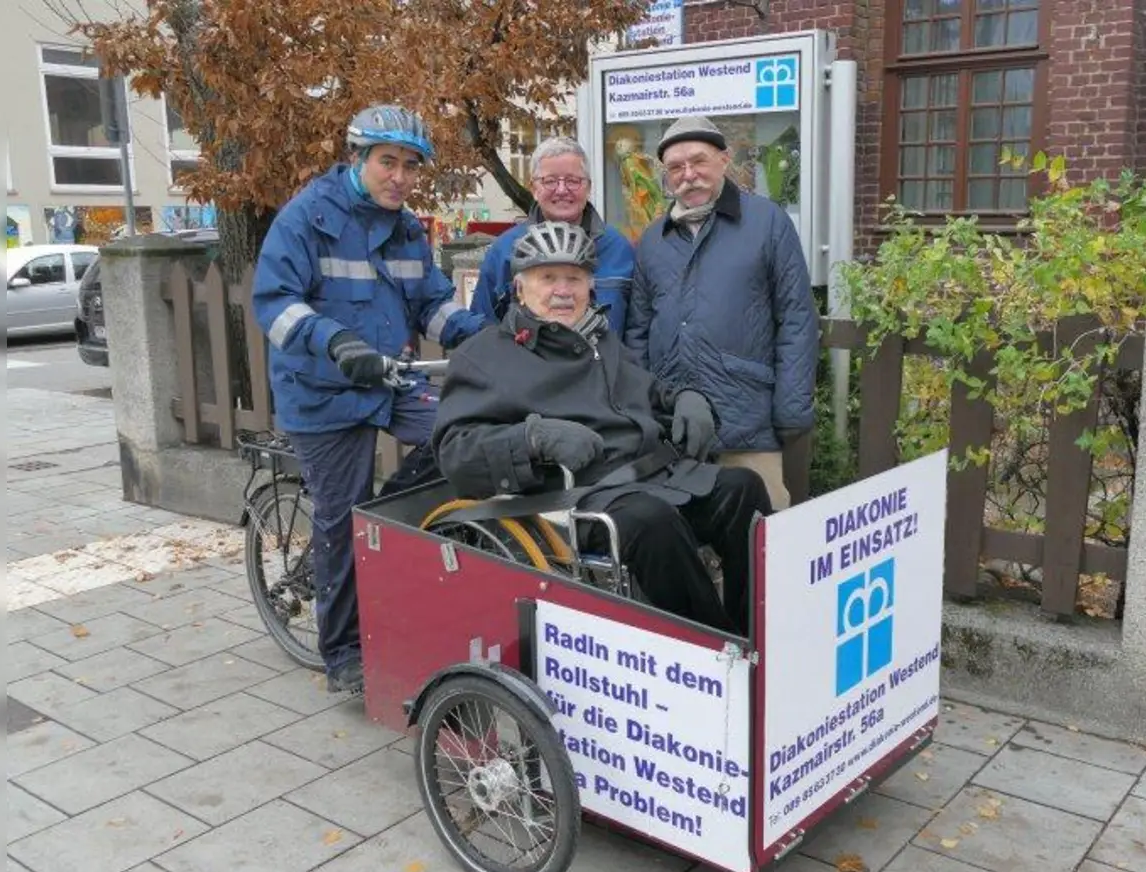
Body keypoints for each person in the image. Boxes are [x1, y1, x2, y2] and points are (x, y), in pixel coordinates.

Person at [433, 220, 770, 635]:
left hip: (655, 476)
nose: (563, 290)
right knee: (653, 523)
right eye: (548, 278)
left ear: (591, 286)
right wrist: (532, 438)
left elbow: (647, 392)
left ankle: (758, 627)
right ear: (520, 288)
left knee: (743, 488)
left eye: (574, 279)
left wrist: (685, 398)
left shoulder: (600, 340)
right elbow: (456, 451)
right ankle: (716, 647)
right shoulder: (482, 356)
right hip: (577, 499)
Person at [252, 104, 488, 694]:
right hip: (322, 392)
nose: (400, 177)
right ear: (357, 158)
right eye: (388, 162)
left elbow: (431, 304)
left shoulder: (406, 228)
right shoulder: (306, 218)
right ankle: (343, 653)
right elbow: (274, 304)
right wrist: (334, 341)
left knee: (459, 436)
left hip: (388, 379)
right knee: (339, 520)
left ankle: (383, 521)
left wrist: (484, 335)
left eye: (411, 166)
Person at [625, 115, 820, 511]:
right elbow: (638, 332)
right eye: (676, 168)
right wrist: (643, 410)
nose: (688, 175)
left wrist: (792, 409)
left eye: (699, 161)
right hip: (673, 426)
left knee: (760, 530)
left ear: (724, 160)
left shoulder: (766, 223)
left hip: (746, 421)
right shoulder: (653, 241)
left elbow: (796, 318)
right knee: (679, 530)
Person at [469, 136, 636, 335]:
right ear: (533, 189)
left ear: (589, 188)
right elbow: (483, 331)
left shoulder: (618, 249)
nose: (562, 190)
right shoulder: (505, 251)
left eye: (573, 181)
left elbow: (637, 331)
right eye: (550, 181)